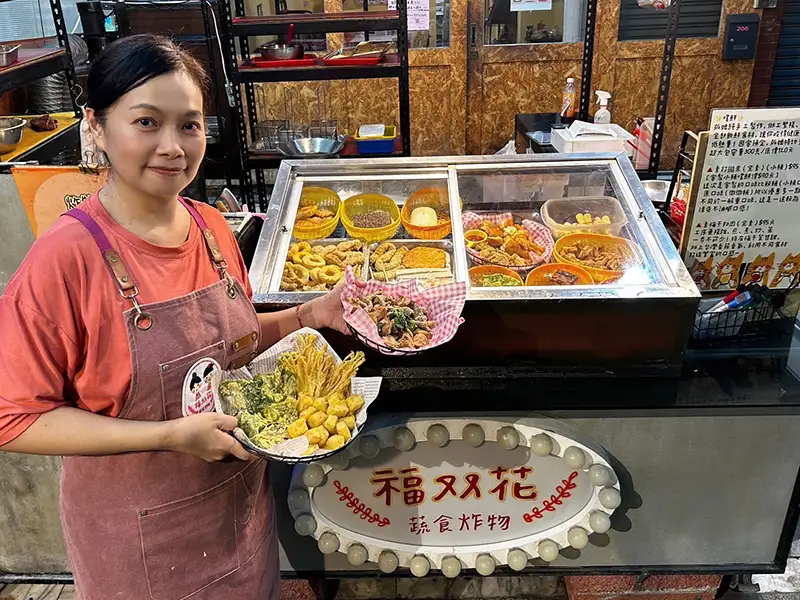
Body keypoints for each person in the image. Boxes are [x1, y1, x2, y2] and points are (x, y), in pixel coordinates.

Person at [0, 34, 347, 600]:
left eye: (189, 124)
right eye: (145, 122)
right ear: (96, 127)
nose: (172, 146)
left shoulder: (212, 228)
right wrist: (170, 437)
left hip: (237, 518)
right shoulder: (65, 259)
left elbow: (229, 351)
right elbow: (13, 418)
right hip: (137, 550)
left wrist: (311, 313)